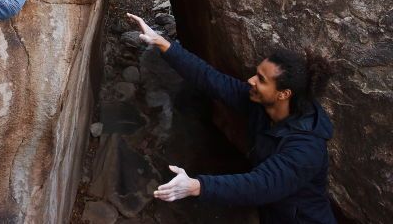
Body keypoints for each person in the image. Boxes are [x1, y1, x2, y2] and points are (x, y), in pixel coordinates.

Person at [127, 13, 337, 224]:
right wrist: (163, 44)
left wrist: (196, 186)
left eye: (261, 80)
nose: (251, 80)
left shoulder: (307, 147)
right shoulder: (263, 105)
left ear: (284, 94)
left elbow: (262, 184)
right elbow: (212, 80)